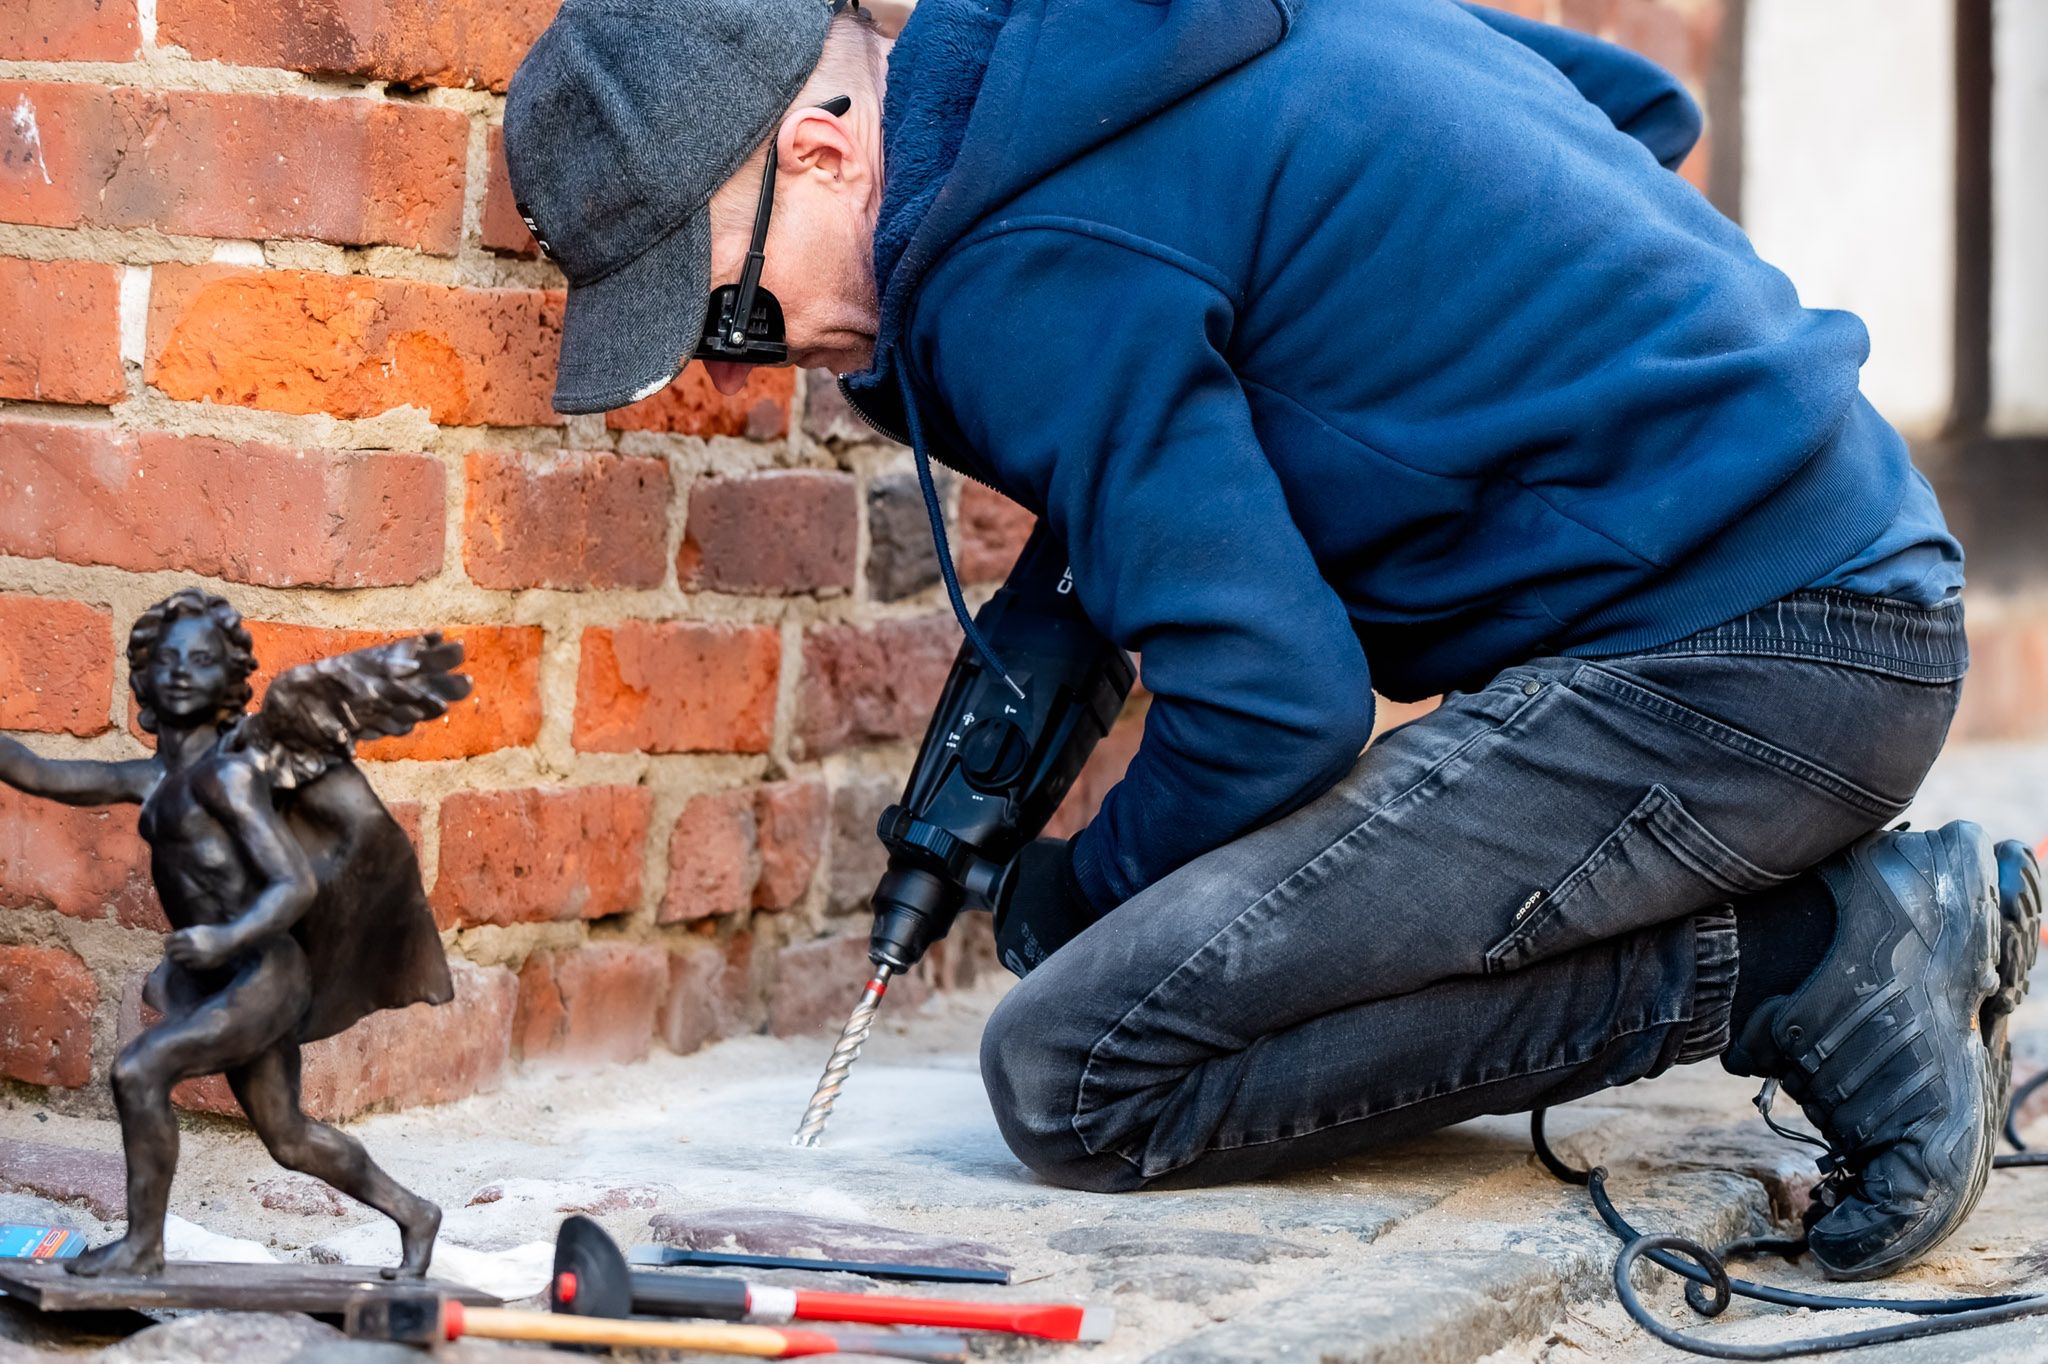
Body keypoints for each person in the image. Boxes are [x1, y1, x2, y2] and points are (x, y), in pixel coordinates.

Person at [504, 0, 2038, 1279]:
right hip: (1857, 589)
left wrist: (1077, 897)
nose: (755, 363)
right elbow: (1631, 110)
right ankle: (1825, 927)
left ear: (824, 152)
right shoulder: (1132, 41)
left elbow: (1274, 705)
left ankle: (1812, 959)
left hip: (1743, 671)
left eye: (731, 313)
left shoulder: (1005, 262)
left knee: (1075, 1072)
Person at [0, 590, 456, 1277]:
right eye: (168, 660)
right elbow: (43, 773)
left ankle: (142, 1247)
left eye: (202, 660)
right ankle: (414, 1213)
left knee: (139, 1071)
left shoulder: (233, 775)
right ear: (144, 679)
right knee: (288, 1138)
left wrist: (224, 940)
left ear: (230, 682)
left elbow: (293, 885)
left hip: (265, 970)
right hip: (229, 979)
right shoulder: (151, 779)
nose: (182, 672)